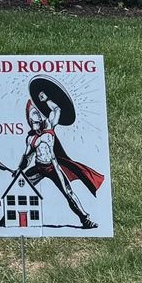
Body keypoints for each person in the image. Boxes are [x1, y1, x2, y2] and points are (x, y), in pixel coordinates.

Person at [17, 76, 104, 230]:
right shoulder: (30, 138)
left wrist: (45, 100)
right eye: (33, 119)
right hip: (38, 168)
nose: (36, 120)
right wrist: (19, 170)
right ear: (30, 121)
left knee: (68, 193)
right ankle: (10, 217)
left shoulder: (49, 126)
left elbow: (57, 110)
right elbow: (27, 157)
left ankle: (85, 219)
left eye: (37, 117)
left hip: (53, 167)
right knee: (19, 187)